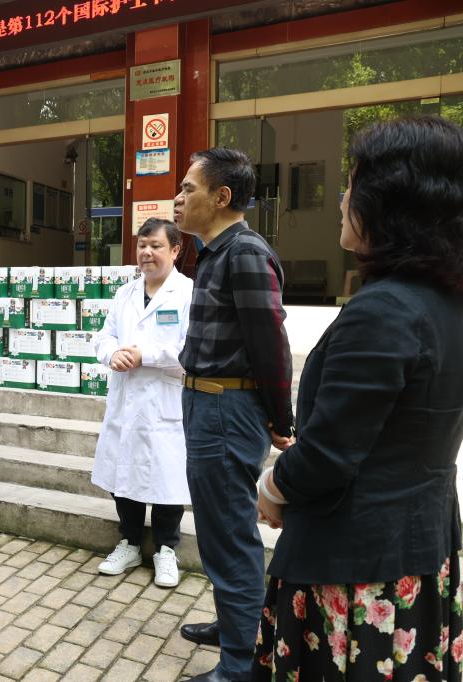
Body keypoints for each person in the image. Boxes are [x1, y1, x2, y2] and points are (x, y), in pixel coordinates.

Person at [253, 116, 463, 680]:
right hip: (417, 552)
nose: (343, 200)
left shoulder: (385, 310)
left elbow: (328, 453)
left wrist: (272, 486)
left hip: (358, 568)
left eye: (352, 185)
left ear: (392, 203)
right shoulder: (443, 301)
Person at [174, 148, 295, 682]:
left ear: (222, 197)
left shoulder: (244, 252)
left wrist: (282, 420)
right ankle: (235, 627)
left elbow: (270, 343)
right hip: (206, 402)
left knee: (230, 536)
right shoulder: (213, 252)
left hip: (225, 408)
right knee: (219, 530)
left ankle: (241, 664)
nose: (178, 199)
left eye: (189, 188)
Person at [91, 218, 192, 588]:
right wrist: (112, 353)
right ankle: (130, 543)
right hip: (126, 398)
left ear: (175, 250)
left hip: (165, 401)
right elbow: (104, 336)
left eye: (156, 246)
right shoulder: (125, 293)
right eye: (142, 245)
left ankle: (166, 549)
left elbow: (192, 350)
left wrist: (144, 355)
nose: (147, 253)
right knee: (124, 472)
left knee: (167, 478)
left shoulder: (188, 293)